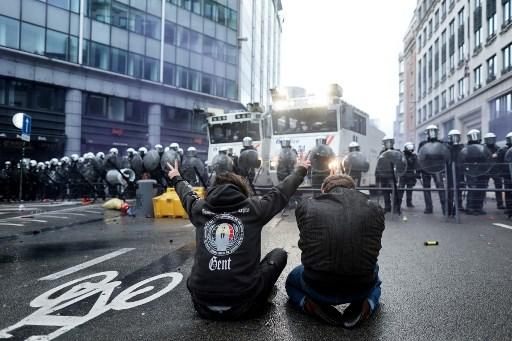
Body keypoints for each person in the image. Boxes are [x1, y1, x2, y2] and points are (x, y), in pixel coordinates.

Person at [167, 155, 311, 320]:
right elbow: (281, 192)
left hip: (202, 305)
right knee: (279, 254)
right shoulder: (255, 208)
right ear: (242, 190)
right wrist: (300, 170)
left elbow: (187, 195)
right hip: (245, 305)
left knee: (199, 272)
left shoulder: (199, 209)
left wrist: (176, 177)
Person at [286, 174, 385, 328]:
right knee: (376, 278)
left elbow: (308, 238)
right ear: (354, 189)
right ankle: (367, 306)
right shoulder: (375, 208)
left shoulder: (306, 206)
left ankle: (309, 305)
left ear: (323, 190)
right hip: (360, 285)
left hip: (317, 285)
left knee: (291, 280)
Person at [418, 125, 446, 214]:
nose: (432, 133)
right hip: (426, 167)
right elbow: (420, 157)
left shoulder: (441, 143)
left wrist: (444, 168)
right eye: (430, 131)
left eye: (434, 131)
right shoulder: (422, 144)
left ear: (437, 132)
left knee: (440, 186)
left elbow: (444, 156)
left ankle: (445, 208)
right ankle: (429, 207)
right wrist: (419, 169)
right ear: (427, 133)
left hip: (437, 168)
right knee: (426, 188)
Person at [483, 133, 504, 209]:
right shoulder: (483, 149)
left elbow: (501, 160)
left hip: (496, 170)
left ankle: (500, 204)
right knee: (482, 187)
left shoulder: (498, 149)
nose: (490, 141)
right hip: (486, 170)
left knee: (499, 187)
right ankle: (480, 205)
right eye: (489, 139)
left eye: (492, 139)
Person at [398, 142, 418, 208]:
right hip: (403, 175)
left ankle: (409, 203)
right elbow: (398, 164)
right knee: (401, 190)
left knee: (409, 190)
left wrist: (417, 173)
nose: (410, 149)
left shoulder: (414, 156)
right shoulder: (401, 155)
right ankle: (398, 204)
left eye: (411, 148)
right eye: (409, 148)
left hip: (411, 175)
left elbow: (416, 165)